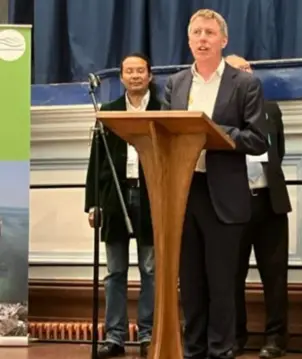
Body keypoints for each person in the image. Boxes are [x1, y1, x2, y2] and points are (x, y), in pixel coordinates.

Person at [161, 9, 269, 359]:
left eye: (209, 33)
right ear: (189, 40)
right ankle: (192, 351)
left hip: (224, 195)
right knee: (190, 284)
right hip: (183, 193)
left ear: (223, 40)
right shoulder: (175, 83)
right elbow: (163, 135)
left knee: (222, 284)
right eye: (196, 33)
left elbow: (257, 139)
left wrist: (215, 133)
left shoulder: (245, 83)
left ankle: (221, 351)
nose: (202, 39)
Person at [84, 52, 159, 358]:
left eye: (140, 70)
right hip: (115, 197)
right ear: (122, 76)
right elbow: (95, 162)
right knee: (115, 271)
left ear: (150, 76)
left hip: (150, 197)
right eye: (129, 71)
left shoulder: (163, 109)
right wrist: (93, 203)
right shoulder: (109, 110)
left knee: (150, 269)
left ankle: (148, 334)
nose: (135, 76)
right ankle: (114, 336)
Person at [225, 55, 291, 359]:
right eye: (238, 70)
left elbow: (280, 150)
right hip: (234, 204)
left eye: (248, 69)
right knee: (232, 274)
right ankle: (236, 335)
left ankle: (276, 338)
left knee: (275, 276)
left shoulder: (271, 110)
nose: (246, 74)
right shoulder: (221, 115)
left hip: (270, 203)